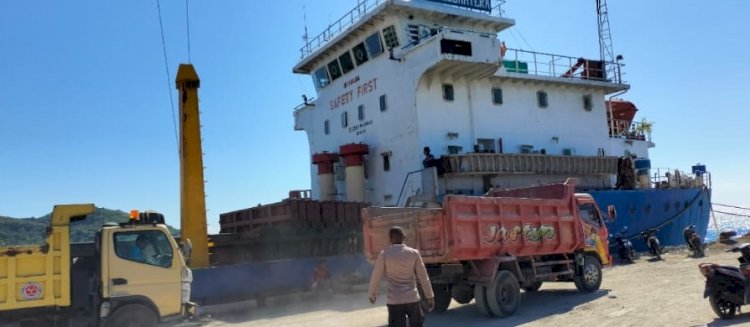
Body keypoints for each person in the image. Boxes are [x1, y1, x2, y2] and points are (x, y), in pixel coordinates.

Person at [369, 227, 435, 327]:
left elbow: (376, 276)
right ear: (404, 238)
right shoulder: (414, 253)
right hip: (412, 299)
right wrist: (429, 297)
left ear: (390, 239)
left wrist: (372, 294)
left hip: (395, 301)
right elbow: (423, 277)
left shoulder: (384, 255)